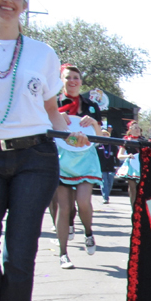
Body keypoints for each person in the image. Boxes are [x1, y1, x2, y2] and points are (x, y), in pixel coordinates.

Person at [0, 0, 88, 301]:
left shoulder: (41, 54)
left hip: (35, 157)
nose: (7, 0)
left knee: (21, 246)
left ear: (25, 5)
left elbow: (51, 112)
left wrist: (72, 136)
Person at [55, 64, 103, 270]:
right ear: (61, 80)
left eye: (76, 77)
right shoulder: (52, 103)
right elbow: (41, 129)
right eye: (68, 77)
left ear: (81, 81)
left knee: (84, 202)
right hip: (61, 159)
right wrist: (55, 118)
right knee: (64, 208)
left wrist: (94, 123)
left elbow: (100, 138)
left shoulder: (91, 106)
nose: (72, 81)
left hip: (86, 159)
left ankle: (88, 232)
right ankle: (63, 253)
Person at [116, 121, 145, 207]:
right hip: (131, 166)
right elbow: (119, 155)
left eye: (138, 128)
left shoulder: (143, 140)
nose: (137, 130)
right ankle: (133, 206)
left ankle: (141, 206)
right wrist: (128, 156)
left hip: (142, 165)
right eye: (135, 128)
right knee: (132, 188)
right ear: (130, 130)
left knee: (142, 187)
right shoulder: (126, 141)